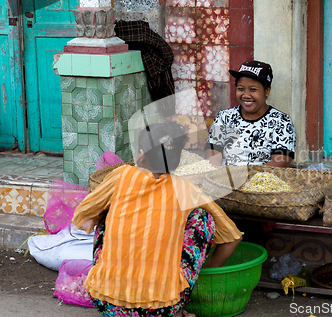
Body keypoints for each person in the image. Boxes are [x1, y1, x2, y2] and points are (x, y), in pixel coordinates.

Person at [72, 121, 243, 317]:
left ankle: (112, 279)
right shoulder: (185, 189)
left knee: (104, 213)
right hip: (164, 308)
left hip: (106, 303)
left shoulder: (120, 176)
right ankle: (177, 303)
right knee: (203, 218)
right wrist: (193, 280)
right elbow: (233, 238)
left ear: (142, 154)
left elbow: (83, 214)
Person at [205, 60, 296, 168]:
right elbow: (212, 156)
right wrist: (221, 176)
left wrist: (249, 179)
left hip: (262, 181)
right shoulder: (225, 117)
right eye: (240, 89)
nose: (246, 95)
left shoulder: (281, 121)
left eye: (253, 90)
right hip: (225, 179)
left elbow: (281, 161)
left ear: (267, 91)